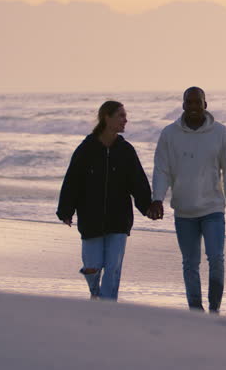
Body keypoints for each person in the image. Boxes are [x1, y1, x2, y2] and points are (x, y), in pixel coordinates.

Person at [147, 87, 226, 314]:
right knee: (190, 264)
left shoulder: (221, 133)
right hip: (184, 212)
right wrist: (157, 198)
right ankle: (195, 311)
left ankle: (215, 309)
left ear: (205, 105)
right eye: (188, 103)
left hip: (213, 209)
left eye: (197, 103)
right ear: (183, 105)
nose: (193, 107)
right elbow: (162, 170)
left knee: (216, 258)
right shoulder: (169, 134)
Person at [57, 100, 155, 301]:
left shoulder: (126, 151)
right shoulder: (86, 149)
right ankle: (95, 294)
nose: (125, 120)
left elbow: (138, 182)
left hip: (119, 220)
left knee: (113, 268)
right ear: (106, 118)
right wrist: (66, 210)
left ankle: (107, 305)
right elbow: (72, 181)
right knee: (92, 267)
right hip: (90, 219)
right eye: (121, 115)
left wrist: (148, 207)